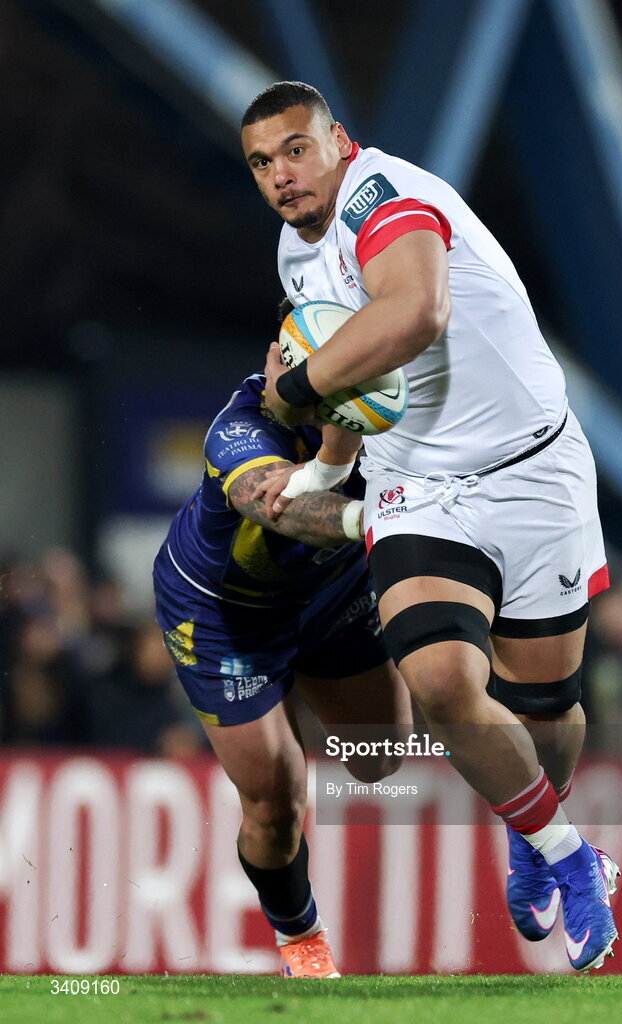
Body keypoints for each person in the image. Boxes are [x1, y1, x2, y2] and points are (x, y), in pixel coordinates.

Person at [240, 81, 620, 972]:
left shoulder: (386, 196)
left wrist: (288, 392)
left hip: (535, 473)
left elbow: (413, 314)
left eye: (297, 149)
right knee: (442, 680)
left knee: (545, 706)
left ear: (340, 139)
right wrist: (330, 470)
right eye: (262, 162)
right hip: (419, 486)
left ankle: (534, 837)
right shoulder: (296, 251)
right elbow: (347, 360)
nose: (282, 175)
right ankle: (571, 858)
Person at [152, 353, 411, 977]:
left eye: (291, 358)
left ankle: (294, 700)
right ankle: (303, 941)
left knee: (381, 760)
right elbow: (278, 506)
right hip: (226, 618)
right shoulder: (239, 429)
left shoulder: (390, 413)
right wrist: (376, 519)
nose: (275, 369)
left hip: (333, 596)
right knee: (275, 802)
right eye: (278, 353)